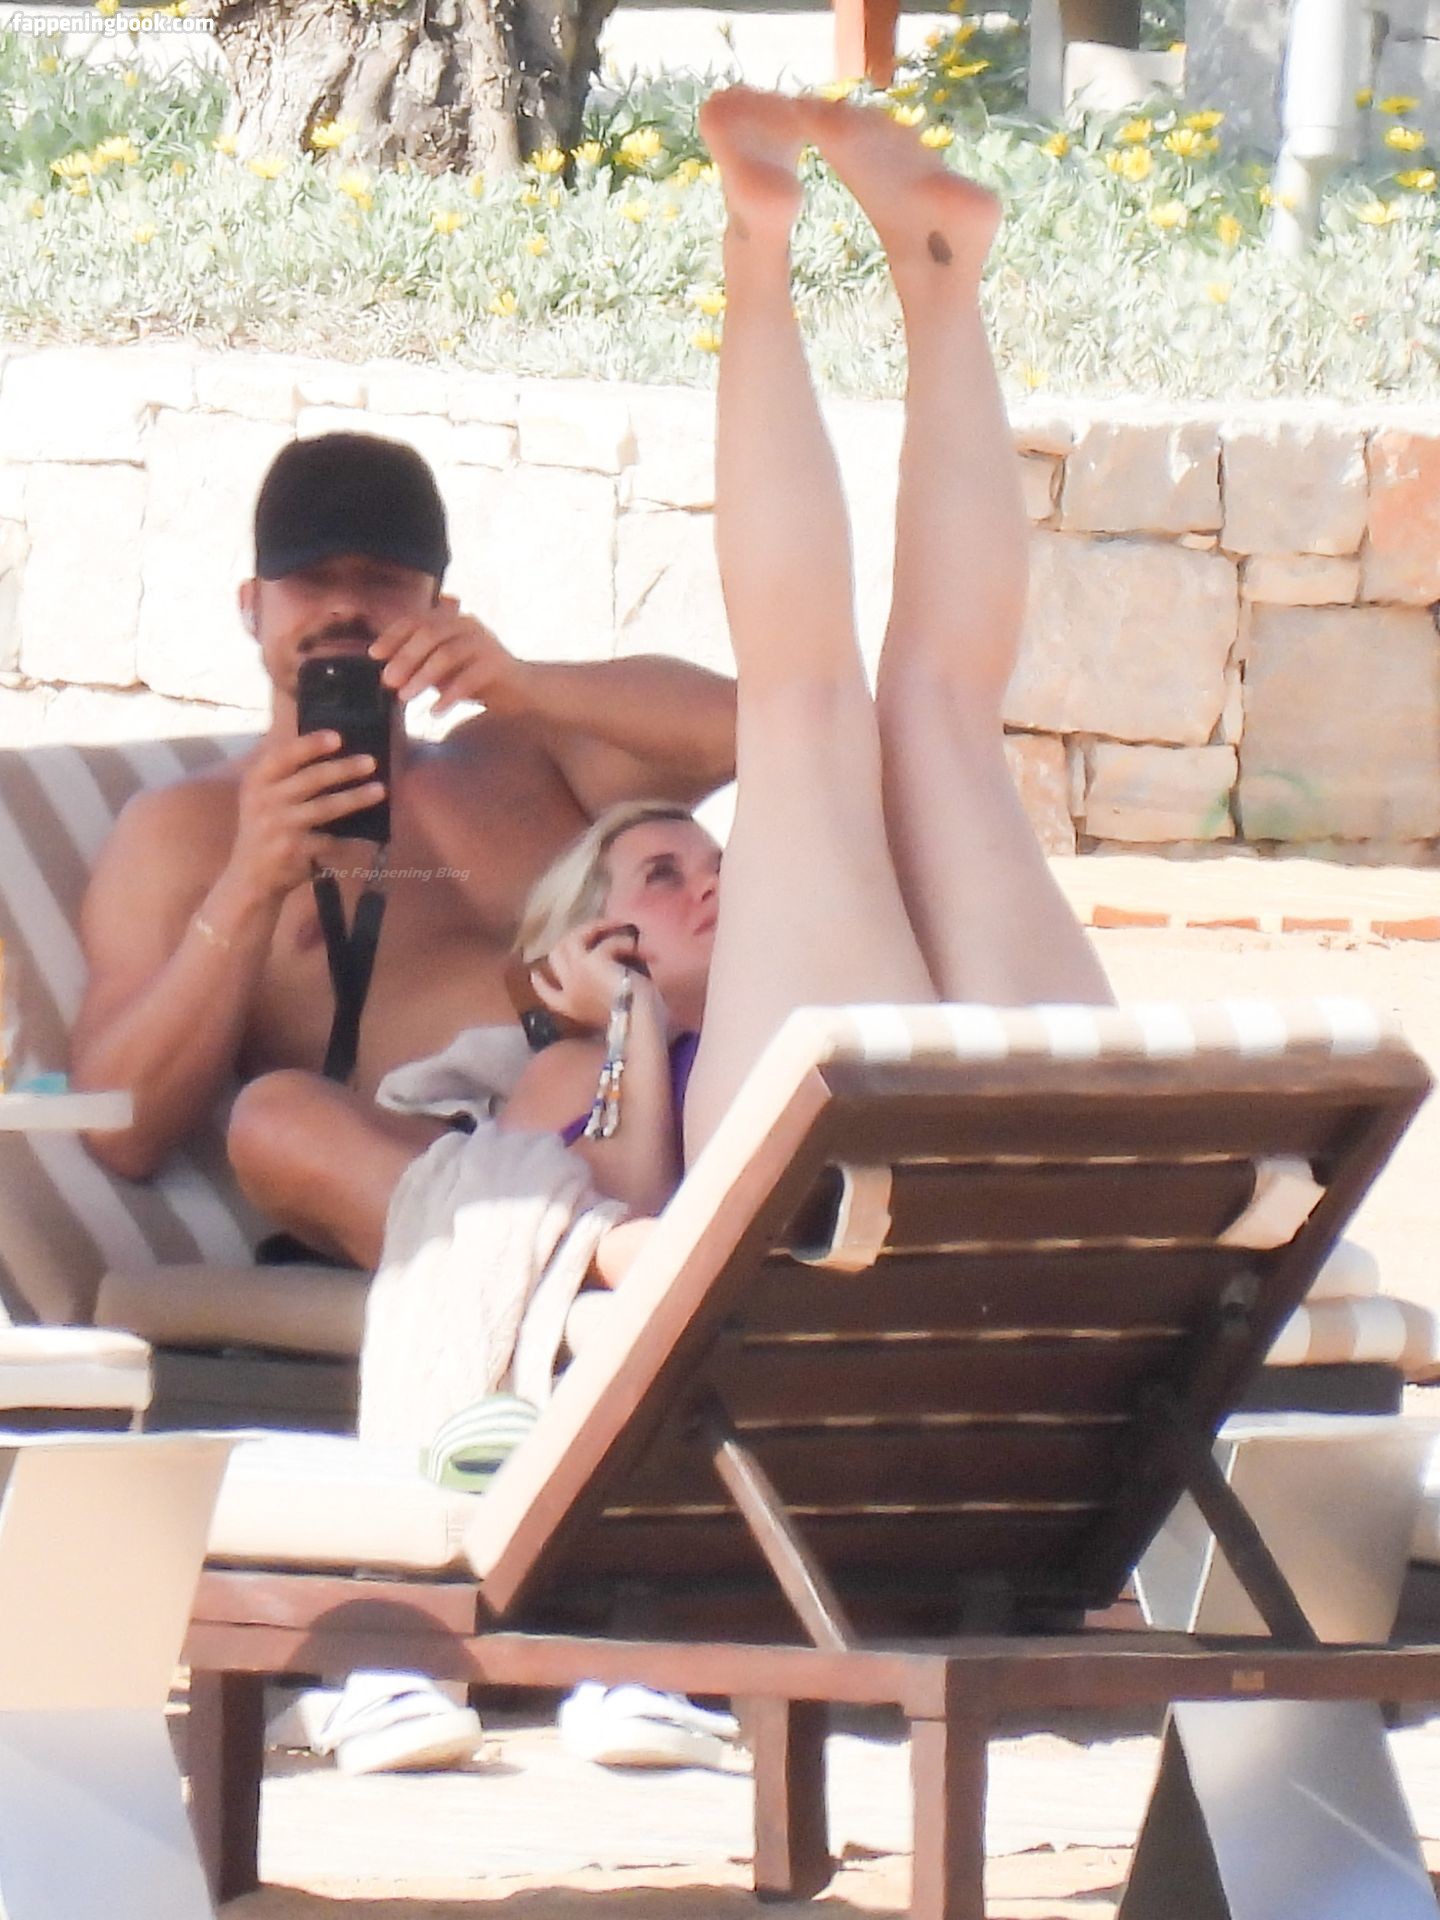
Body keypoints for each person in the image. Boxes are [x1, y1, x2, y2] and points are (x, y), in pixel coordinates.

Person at [228, 85, 1111, 1286]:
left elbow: (758, 728)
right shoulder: (574, 1066)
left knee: (936, 716)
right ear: (578, 950)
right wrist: (630, 1025)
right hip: (824, 1241)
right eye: (658, 875)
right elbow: (616, 1221)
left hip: (982, 1221)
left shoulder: (536, 786)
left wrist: (523, 684)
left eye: (704, 859)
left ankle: (938, 282)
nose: (713, 880)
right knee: (820, 713)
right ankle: (773, 259)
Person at [69, 429, 736, 1774]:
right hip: (419, 1190)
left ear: (438, 603)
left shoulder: (524, 762)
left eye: (383, 579)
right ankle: (603, 1275)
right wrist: (251, 883)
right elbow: (121, 1123)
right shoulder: (185, 832)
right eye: (310, 578)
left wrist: (528, 682)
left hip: (622, 1131)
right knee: (272, 1119)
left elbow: (780, 728)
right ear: (252, 607)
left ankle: (598, 1284)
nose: (346, 606)